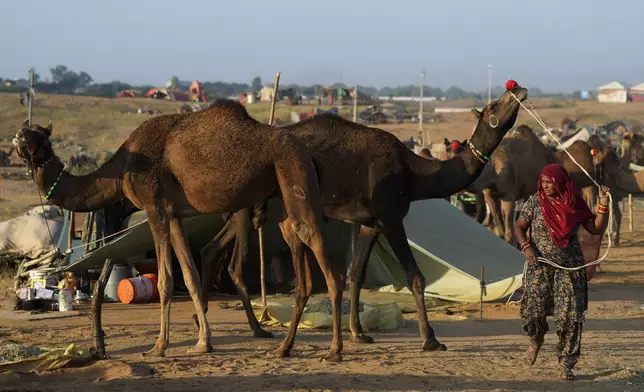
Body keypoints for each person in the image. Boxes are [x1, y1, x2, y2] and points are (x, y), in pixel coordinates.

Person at [514, 163, 610, 381]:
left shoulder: (574, 203)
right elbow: (519, 226)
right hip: (539, 264)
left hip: (569, 268)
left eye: (550, 182)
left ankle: (566, 362)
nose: (545, 186)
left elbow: (595, 228)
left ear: (560, 182)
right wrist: (526, 247)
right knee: (532, 312)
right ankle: (535, 341)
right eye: (543, 182)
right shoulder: (535, 202)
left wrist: (603, 205)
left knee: (570, 316)